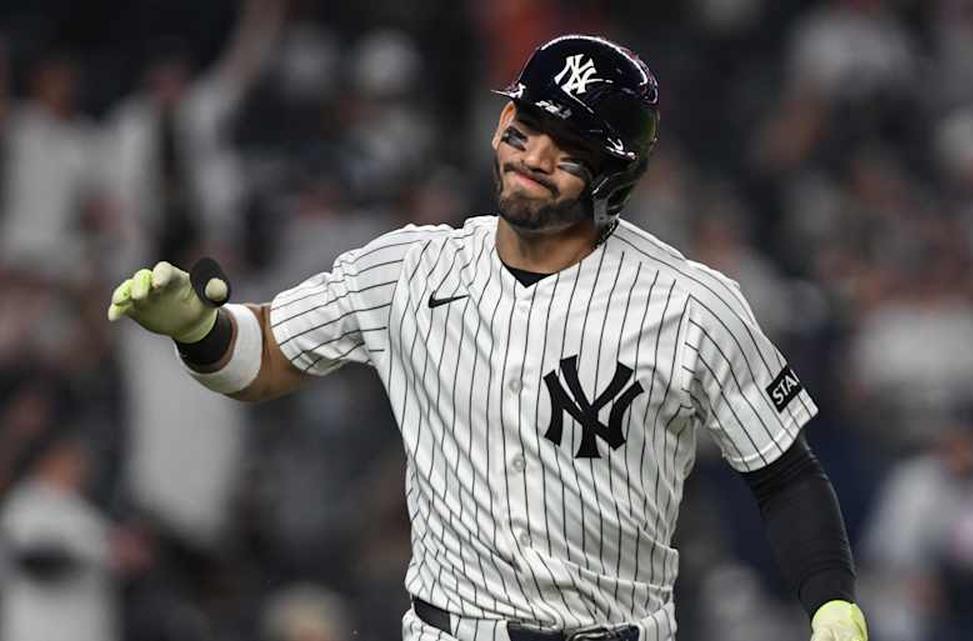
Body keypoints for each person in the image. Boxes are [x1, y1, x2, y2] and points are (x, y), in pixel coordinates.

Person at [107, 34, 868, 641]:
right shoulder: (410, 267)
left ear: (615, 174)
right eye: (525, 123)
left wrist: (830, 598)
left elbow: (784, 472)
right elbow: (264, 356)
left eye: (567, 144)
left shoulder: (690, 303)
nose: (532, 155)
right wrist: (202, 332)